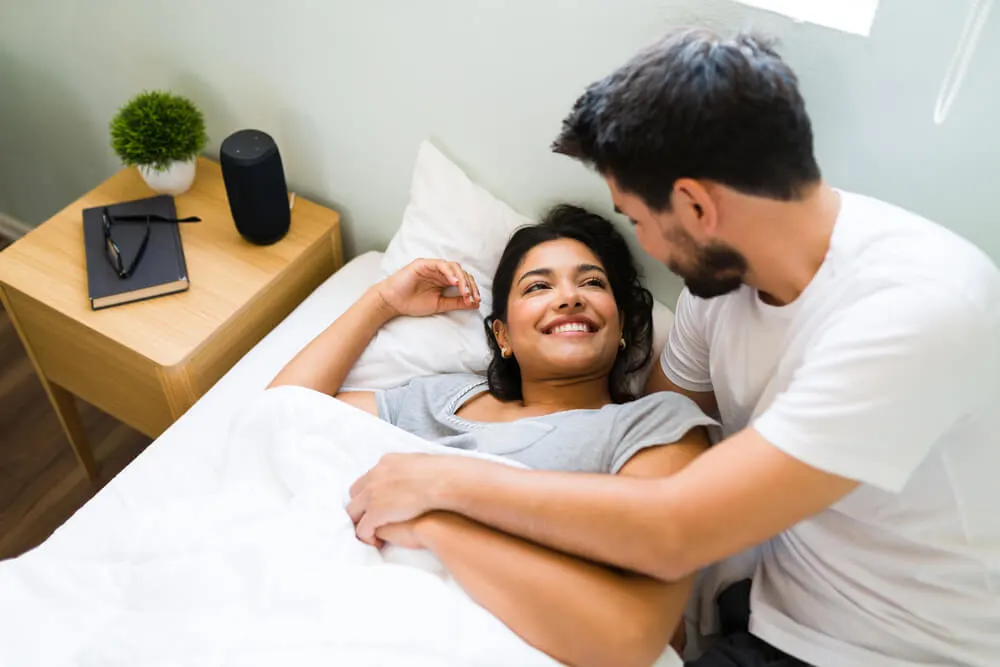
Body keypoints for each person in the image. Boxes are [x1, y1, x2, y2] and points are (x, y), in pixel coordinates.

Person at [346, 28, 1000, 667]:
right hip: (768, 597)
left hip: (894, 645)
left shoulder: (913, 312)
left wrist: (441, 487)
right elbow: (657, 438)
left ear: (694, 206)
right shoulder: (718, 295)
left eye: (635, 219)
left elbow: (670, 527)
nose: (644, 248)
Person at [270, 204, 717, 667]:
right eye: (539, 286)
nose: (568, 298)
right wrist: (381, 301)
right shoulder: (441, 401)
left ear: (622, 326)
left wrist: (436, 525)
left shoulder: (654, 426)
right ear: (502, 336)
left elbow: (636, 636)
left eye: (591, 283)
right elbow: (282, 418)